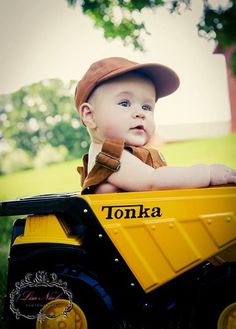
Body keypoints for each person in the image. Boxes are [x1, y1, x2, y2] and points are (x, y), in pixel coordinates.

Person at [74, 57, 236, 194]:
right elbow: (153, 181)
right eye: (125, 103)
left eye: (147, 107)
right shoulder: (107, 156)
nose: (141, 113)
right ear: (90, 115)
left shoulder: (128, 154)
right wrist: (207, 174)